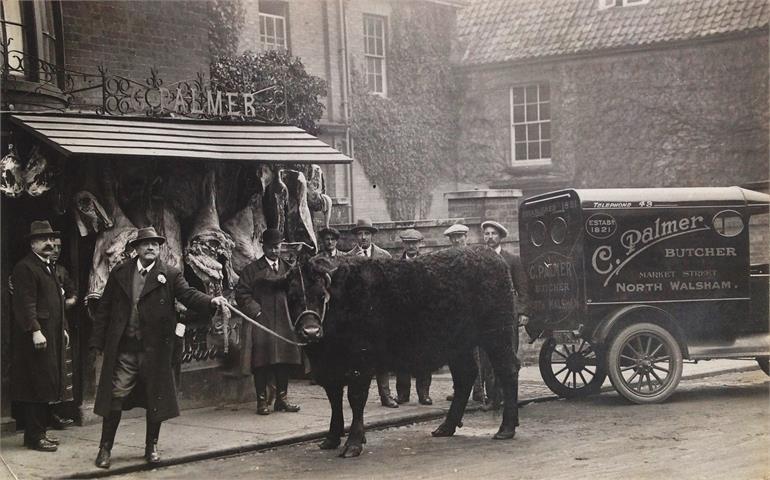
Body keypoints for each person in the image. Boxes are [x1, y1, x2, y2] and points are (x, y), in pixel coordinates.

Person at [90, 227, 228, 468]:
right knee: (115, 397)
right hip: (126, 350)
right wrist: (97, 342)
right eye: (146, 244)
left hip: (156, 350)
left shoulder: (170, 275)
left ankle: (151, 447)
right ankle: (105, 449)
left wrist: (211, 301)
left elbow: (188, 295)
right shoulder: (120, 272)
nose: (151, 247)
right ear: (136, 248)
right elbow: (105, 309)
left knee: (157, 398)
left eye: (155, 244)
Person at [10, 221, 72, 452]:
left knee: (46, 383)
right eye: (42, 239)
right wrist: (35, 330)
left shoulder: (48, 266)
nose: (48, 243)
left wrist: (62, 328)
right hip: (36, 336)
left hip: (51, 333)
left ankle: (37, 434)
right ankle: (36, 437)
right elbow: (25, 303)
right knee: (36, 385)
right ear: (32, 243)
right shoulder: (25, 267)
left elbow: (56, 303)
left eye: (50, 238)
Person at [236, 228, 303, 416]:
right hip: (261, 323)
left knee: (283, 360)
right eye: (270, 247)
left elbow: (297, 294)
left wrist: (293, 315)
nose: (274, 251)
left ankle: (282, 399)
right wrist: (255, 311)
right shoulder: (251, 270)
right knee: (261, 362)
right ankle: (261, 401)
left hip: (283, 322)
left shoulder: (289, 269)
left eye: (277, 247)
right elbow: (241, 294)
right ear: (263, 247)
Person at [348, 218, 398, 408]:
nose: (363, 237)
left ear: (372, 235)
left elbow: (392, 284)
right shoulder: (349, 257)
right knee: (360, 357)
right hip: (359, 316)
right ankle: (360, 396)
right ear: (356, 236)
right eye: (360, 234)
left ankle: (386, 395)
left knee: (382, 355)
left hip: (380, 313)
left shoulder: (384, 256)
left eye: (366, 233)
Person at [480, 220, 530, 411]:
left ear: (500, 237)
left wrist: (524, 312)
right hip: (486, 318)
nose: (489, 237)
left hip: (507, 318)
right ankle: (493, 398)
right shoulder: (480, 259)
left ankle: (509, 398)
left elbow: (523, 288)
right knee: (487, 359)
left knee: (508, 358)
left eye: (493, 234)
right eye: (486, 234)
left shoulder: (512, 260)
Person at [442, 223, 487, 404]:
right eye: (453, 238)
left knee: (476, 354)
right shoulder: (447, 260)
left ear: (465, 238)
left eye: (460, 236)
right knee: (456, 354)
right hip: (454, 314)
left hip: (473, 313)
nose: (457, 240)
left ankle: (478, 391)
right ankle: (459, 390)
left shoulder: (476, 257)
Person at [395, 229, 433, 406]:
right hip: (402, 318)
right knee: (402, 356)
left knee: (424, 356)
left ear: (420, 244)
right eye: (408, 243)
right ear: (403, 244)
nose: (411, 246)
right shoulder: (396, 265)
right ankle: (403, 394)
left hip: (424, 319)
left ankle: (424, 393)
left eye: (415, 243)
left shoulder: (428, 263)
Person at [49, 237, 77, 430]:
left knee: (61, 368)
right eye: (53, 246)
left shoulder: (61, 271)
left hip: (61, 324)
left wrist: (67, 302)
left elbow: (73, 293)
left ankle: (58, 413)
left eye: (60, 247)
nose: (56, 250)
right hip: (42, 326)